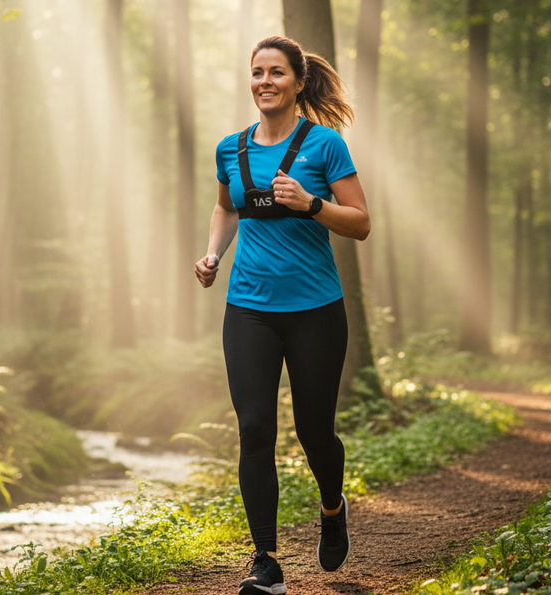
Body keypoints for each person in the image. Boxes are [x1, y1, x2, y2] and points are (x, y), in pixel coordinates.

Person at [195, 35, 370, 595]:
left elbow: (361, 222)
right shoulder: (231, 148)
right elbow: (226, 207)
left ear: (297, 82)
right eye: (256, 73)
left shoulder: (324, 146)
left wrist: (312, 204)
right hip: (249, 309)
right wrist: (213, 256)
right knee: (253, 430)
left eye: (275, 73)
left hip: (316, 310)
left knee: (315, 431)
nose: (264, 82)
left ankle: (332, 506)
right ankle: (266, 563)